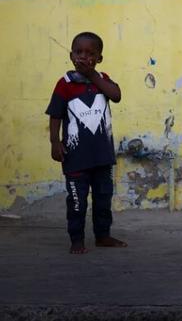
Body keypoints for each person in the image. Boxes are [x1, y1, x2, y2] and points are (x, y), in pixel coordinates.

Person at [46, 32, 127, 254]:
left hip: (102, 156)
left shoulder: (102, 79)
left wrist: (93, 75)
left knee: (103, 198)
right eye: (79, 52)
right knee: (77, 201)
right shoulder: (65, 84)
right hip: (75, 157)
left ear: (99, 58)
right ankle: (77, 239)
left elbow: (117, 95)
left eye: (90, 54)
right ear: (71, 55)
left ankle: (102, 235)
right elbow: (55, 115)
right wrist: (55, 142)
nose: (84, 57)